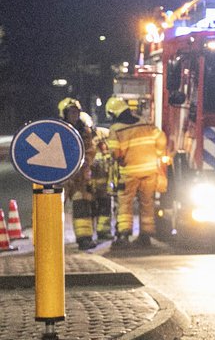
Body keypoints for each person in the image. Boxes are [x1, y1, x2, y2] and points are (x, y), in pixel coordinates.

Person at [106, 96, 168, 249]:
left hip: (129, 173)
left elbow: (115, 153)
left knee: (125, 204)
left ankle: (124, 236)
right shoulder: (146, 123)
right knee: (147, 204)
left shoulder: (117, 129)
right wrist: (157, 154)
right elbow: (161, 140)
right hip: (149, 171)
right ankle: (145, 237)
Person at [58, 98, 99, 249]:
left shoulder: (84, 131)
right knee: (53, 208)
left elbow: (90, 150)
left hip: (79, 176)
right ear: (64, 114)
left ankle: (84, 239)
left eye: (76, 112)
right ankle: (49, 239)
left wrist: (86, 162)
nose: (74, 115)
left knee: (82, 206)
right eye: (71, 112)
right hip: (61, 176)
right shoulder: (57, 130)